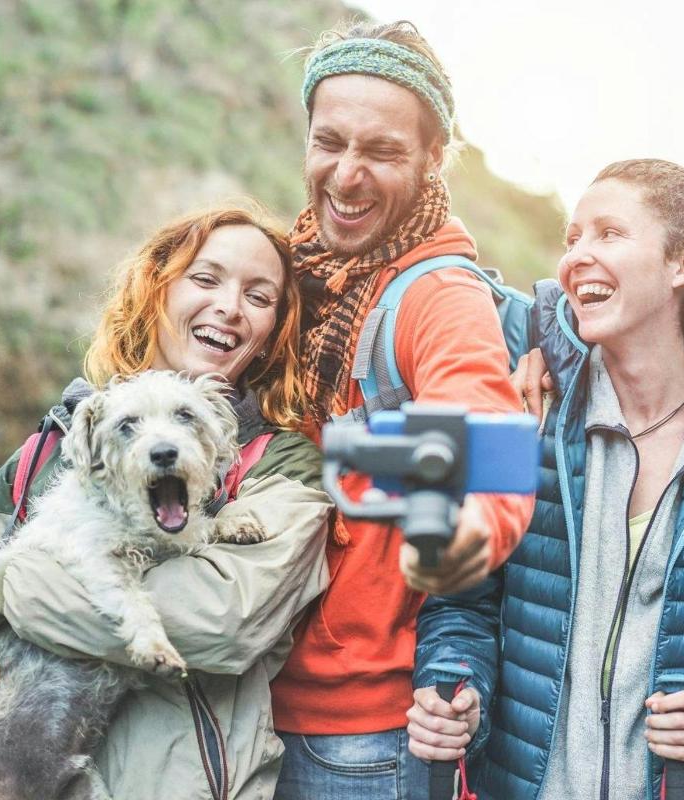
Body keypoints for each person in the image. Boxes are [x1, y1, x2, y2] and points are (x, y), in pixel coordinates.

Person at [409, 159, 684, 799]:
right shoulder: (528, 413)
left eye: (609, 234)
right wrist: (457, 689)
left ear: (683, 266)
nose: (577, 258)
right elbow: (462, 600)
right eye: (572, 238)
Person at [0, 203, 333, 799]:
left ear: (273, 330)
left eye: (259, 296)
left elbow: (222, 622)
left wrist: (3, 591)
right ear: (157, 288)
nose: (229, 306)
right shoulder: (53, 442)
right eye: (206, 280)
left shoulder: (284, 464)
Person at [268, 19, 534, 800]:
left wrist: (467, 531)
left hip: (363, 742)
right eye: (329, 142)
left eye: (381, 151)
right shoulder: (295, 272)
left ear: (430, 159)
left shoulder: (435, 292)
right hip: (245, 704)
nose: (346, 175)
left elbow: (489, 441)